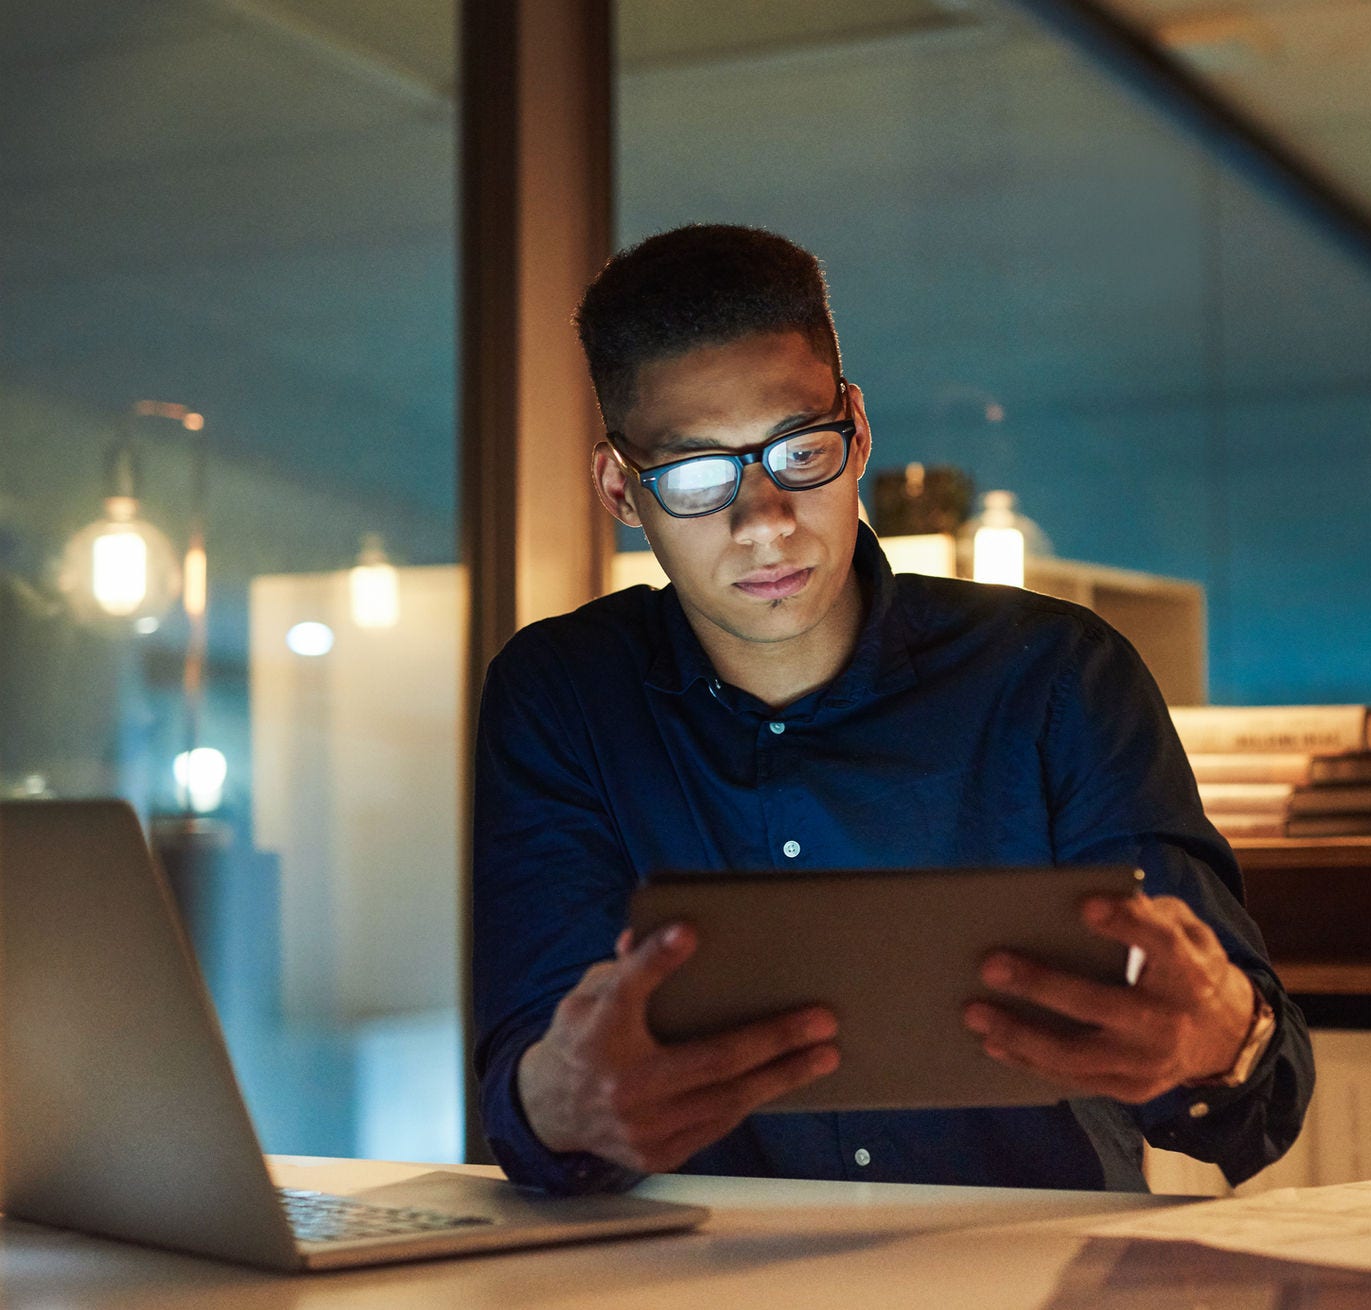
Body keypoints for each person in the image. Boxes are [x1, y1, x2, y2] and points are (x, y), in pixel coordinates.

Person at [471, 223, 1312, 1196]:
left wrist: (1214, 1041)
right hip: (699, 1268)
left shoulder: (1056, 678)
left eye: (799, 449)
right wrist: (562, 1103)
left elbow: (1264, 1096)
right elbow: (533, 1084)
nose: (765, 519)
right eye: (697, 475)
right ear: (621, 488)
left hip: (1020, 1265)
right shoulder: (564, 698)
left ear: (858, 431)